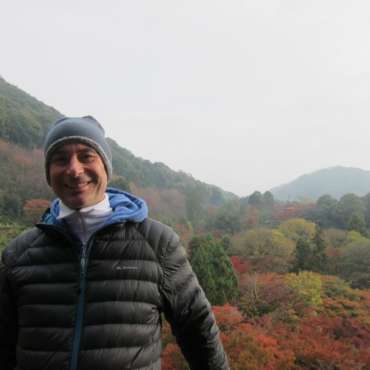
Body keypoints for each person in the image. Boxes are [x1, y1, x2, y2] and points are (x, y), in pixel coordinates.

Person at [0, 116, 229, 370]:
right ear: (48, 172)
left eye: (86, 156)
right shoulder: (19, 254)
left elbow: (198, 329)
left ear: (106, 167)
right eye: (61, 159)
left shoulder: (157, 243)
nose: (74, 170)